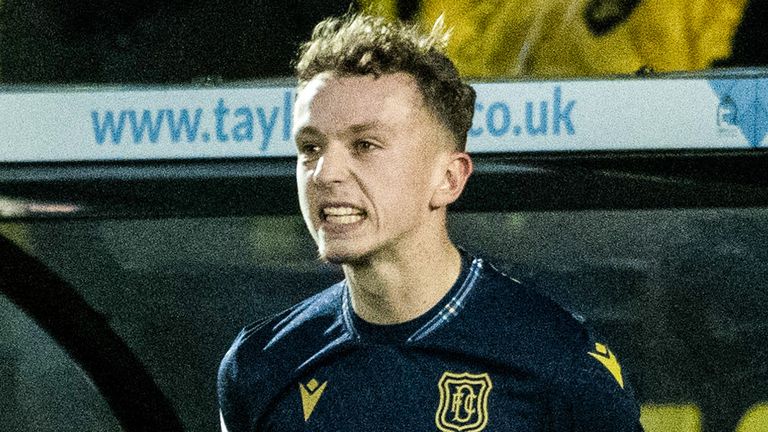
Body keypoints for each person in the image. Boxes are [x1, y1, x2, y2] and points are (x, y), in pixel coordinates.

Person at [218, 13, 643, 431]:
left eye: (365, 144)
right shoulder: (259, 364)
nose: (325, 173)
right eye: (310, 147)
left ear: (448, 179)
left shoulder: (558, 360)